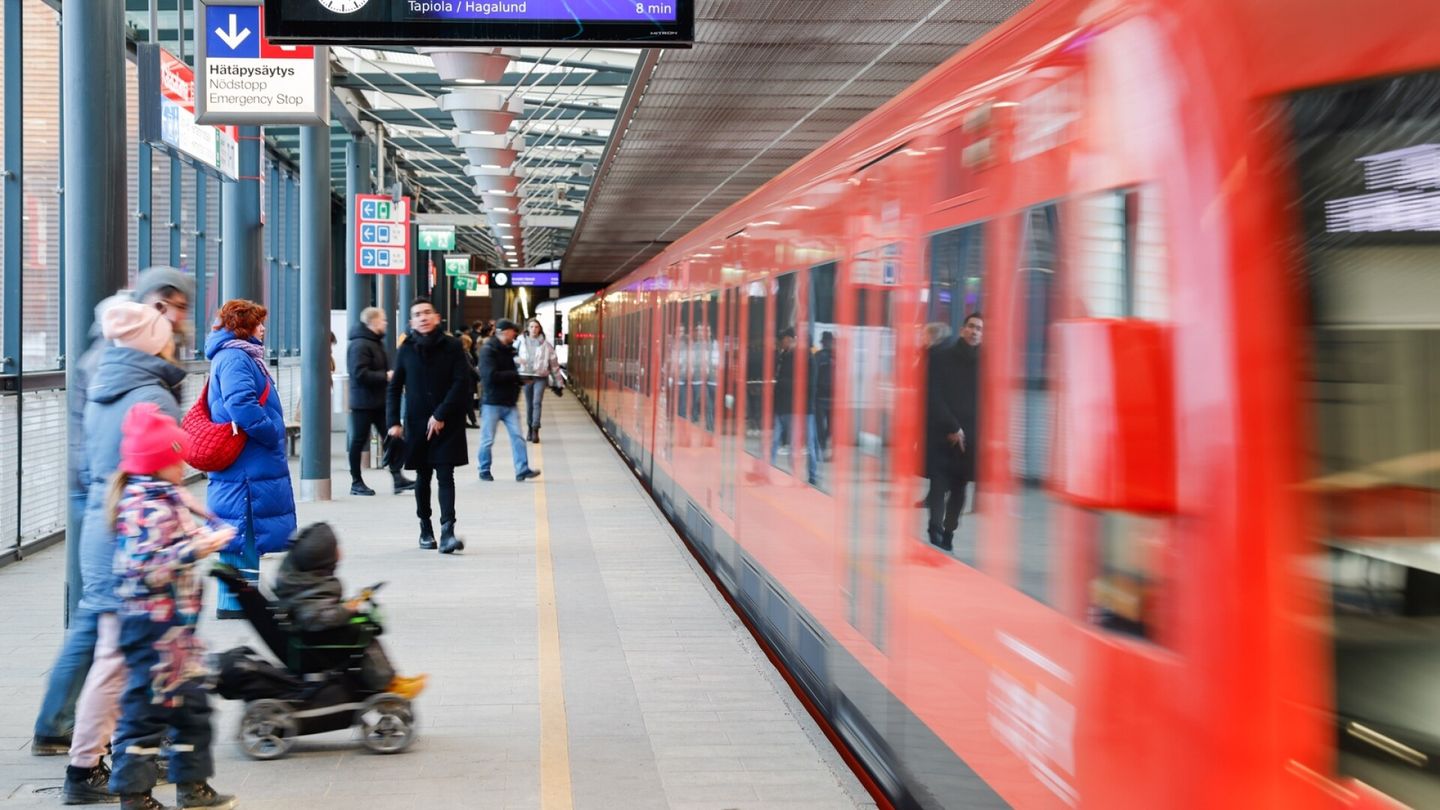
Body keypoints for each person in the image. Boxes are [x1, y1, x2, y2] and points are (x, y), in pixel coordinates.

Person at [39, 268, 194, 758]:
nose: (174, 316)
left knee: (104, 623)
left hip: (112, 496)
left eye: (181, 306)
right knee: (107, 628)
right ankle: (84, 741)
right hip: (115, 501)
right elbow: (135, 451)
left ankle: (74, 729)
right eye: (166, 305)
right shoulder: (128, 369)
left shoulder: (125, 362)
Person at [106, 404, 239, 810]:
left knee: (191, 707)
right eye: (176, 459)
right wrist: (195, 547)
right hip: (150, 629)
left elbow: (178, 540)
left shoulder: (166, 497)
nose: (183, 465)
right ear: (158, 463)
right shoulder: (143, 507)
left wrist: (203, 530)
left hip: (176, 629)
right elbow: (144, 567)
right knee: (144, 711)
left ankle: (192, 785)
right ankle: (134, 795)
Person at [204, 300, 297, 619]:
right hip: (246, 459)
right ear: (242, 326)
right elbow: (240, 403)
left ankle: (243, 599)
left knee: (244, 528)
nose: (263, 327)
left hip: (248, 460)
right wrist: (271, 432)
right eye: (258, 322)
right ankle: (235, 603)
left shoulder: (237, 355)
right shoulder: (235, 358)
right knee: (240, 527)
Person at [271, 523, 427, 698]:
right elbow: (320, 617)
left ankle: (392, 679)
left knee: (363, 627)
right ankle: (388, 684)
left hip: (312, 634)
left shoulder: (302, 578)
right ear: (324, 560)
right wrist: (346, 609)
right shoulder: (311, 588)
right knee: (364, 634)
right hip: (315, 642)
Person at [387, 297, 472, 555]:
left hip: (448, 423)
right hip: (416, 424)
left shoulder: (453, 346)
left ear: (437, 318)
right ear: (412, 321)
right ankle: (425, 527)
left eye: (427, 313)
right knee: (423, 477)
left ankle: (448, 531)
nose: (423, 317)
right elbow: (394, 387)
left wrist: (441, 414)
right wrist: (393, 423)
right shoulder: (406, 349)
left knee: (446, 475)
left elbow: (461, 382)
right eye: (417, 314)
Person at [925, 313, 982, 551]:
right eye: (971, 327)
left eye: (979, 328)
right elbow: (934, 396)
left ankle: (949, 529)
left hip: (969, 438)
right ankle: (935, 527)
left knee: (959, 489)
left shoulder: (986, 364)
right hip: (943, 433)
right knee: (938, 485)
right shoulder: (942, 357)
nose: (974, 331)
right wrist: (953, 427)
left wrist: (967, 433)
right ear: (962, 330)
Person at [346, 307, 416, 497]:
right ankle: (356, 482)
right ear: (373, 322)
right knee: (359, 441)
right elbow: (359, 373)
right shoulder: (360, 345)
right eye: (383, 320)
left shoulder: (374, 343)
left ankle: (397, 478)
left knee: (391, 438)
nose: (385, 323)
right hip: (363, 402)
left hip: (377, 400)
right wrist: (385, 376)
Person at [477, 320, 542, 483]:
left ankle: (522, 469)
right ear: (505, 332)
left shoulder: (510, 350)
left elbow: (511, 373)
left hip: (509, 402)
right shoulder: (488, 351)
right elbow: (490, 377)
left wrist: (522, 380)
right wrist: (516, 377)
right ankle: (484, 469)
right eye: (514, 332)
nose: (516, 335)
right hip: (492, 402)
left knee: (518, 437)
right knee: (487, 439)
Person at [516, 318, 560, 444]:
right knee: (529, 404)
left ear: (539, 329)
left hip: (540, 377)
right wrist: (517, 360)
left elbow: (554, 364)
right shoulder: (520, 341)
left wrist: (559, 383)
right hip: (526, 376)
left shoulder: (546, 344)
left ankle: (535, 429)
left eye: (536, 327)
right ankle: (529, 428)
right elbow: (510, 355)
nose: (534, 329)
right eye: (531, 327)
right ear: (527, 328)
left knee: (536, 402)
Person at [771, 328, 797, 463]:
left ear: (789, 340)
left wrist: (779, 382)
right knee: (775, 438)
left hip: (790, 405)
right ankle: (769, 467)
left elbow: (796, 381)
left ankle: (794, 473)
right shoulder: (782, 356)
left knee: (792, 441)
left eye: (783, 340)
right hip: (780, 404)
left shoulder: (796, 358)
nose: (781, 343)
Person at [458, 333, 480, 428]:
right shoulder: (464, 353)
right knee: (468, 403)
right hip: (468, 382)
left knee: (466, 403)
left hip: (468, 382)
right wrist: (478, 376)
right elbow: (470, 368)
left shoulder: (464, 353)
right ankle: (473, 421)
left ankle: (465, 421)